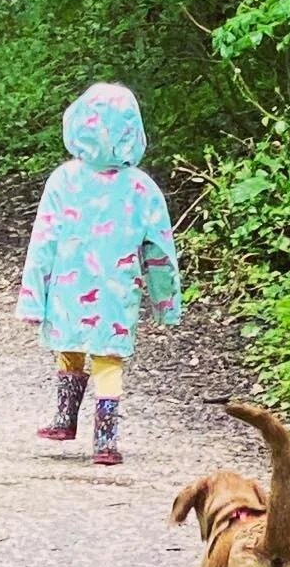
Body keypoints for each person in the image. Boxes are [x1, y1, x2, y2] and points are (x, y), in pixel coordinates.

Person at [17, 82, 181, 465]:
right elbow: (160, 251)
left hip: (67, 288)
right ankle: (105, 440)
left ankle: (65, 418)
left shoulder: (64, 180)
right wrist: (165, 302)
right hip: (117, 291)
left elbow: (43, 242)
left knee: (69, 344)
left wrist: (33, 298)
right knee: (108, 358)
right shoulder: (142, 188)